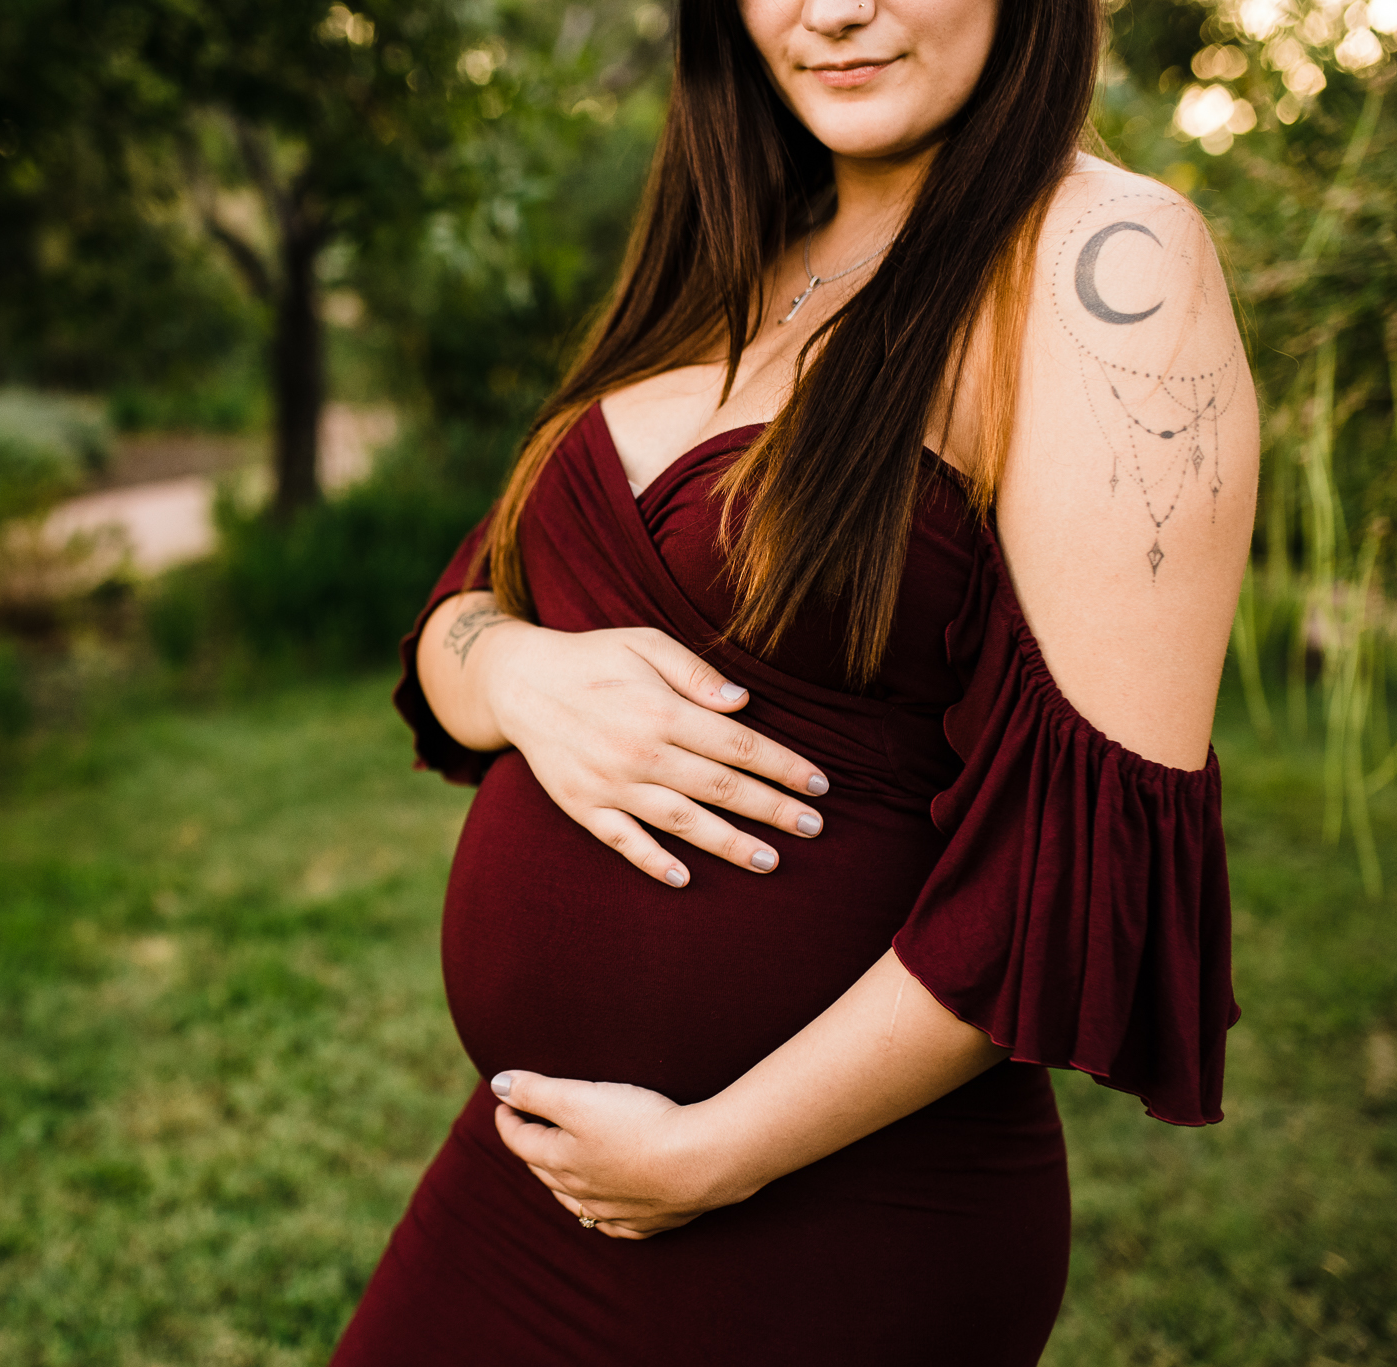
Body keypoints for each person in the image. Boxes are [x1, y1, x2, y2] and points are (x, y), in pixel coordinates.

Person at [331, 0, 1254, 1361]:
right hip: (532, 1176)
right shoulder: (739, 247)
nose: (830, 10)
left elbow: (1088, 849)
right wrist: (521, 672)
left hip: (833, 1227)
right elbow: (460, 623)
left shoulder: (1108, 260)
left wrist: (712, 1154)